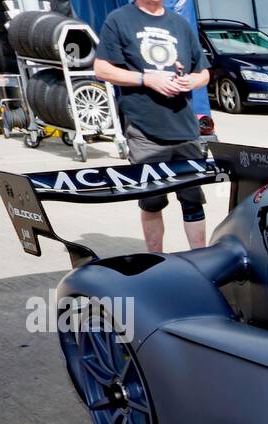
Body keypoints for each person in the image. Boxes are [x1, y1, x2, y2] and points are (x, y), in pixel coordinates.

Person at [93, 0, 210, 252]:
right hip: (145, 130)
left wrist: (191, 81)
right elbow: (101, 68)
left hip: (185, 128)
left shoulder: (180, 24)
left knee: (192, 200)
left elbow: (204, 72)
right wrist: (145, 79)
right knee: (152, 201)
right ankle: (155, 262)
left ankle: (202, 261)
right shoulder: (119, 20)